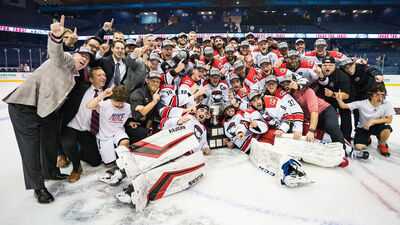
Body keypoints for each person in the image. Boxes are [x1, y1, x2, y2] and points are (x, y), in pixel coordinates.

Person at [3, 15, 90, 203]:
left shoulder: (72, 77)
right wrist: (57, 38)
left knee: (50, 141)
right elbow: (56, 52)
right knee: (31, 149)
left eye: (87, 59)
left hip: (45, 112)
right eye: (81, 55)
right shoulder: (64, 59)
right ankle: (38, 187)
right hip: (24, 107)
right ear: (73, 54)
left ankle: (50, 171)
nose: (84, 59)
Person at [281, 75, 369, 161]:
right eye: (284, 84)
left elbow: (314, 112)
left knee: (332, 128)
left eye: (289, 83)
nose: (286, 86)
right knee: (321, 136)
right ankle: (347, 149)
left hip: (325, 111)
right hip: (312, 117)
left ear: (295, 82)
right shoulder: (288, 96)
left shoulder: (307, 91)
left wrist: (311, 130)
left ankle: (346, 152)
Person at [58, 67, 106, 183]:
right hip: (71, 127)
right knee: (68, 142)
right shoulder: (79, 88)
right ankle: (76, 167)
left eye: (104, 75)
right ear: (90, 79)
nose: (103, 77)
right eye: (99, 75)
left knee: (95, 162)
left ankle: (74, 152)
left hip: (88, 131)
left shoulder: (107, 95)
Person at [335, 84, 394, 157]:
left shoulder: (386, 103)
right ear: (371, 95)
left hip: (377, 126)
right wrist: (339, 100)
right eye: (377, 94)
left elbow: (389, 119)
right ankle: (367, 137)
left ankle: (382, 144)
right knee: (358, 147)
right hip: (364, 127)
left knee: (386, 130)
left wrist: (372, 121)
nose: (380, 97)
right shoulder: (362, 103)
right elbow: (344, 106)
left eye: (382, 95)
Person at [318, 56, 352, 142]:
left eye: (330, 65)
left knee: (345, 116)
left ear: (334, 66)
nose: (327, 67)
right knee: (326, 117)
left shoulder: (342, 76)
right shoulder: (318, 72)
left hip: (341, 99)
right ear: (321, 66)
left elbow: (346, 95)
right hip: (326, 100)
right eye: (325, 65)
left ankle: (346, 138)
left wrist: (333, 94)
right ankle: (323, 134)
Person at [127, 71, 162, 143]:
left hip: (143, 126)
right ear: (147, 80)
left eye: (158, 82)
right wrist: (153, 102)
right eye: (153, 81)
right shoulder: (138, 93)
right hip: (130, 125)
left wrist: (147, 129)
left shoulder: (156, 95)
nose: (155, 83)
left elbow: (151, 116)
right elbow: (137, 116)